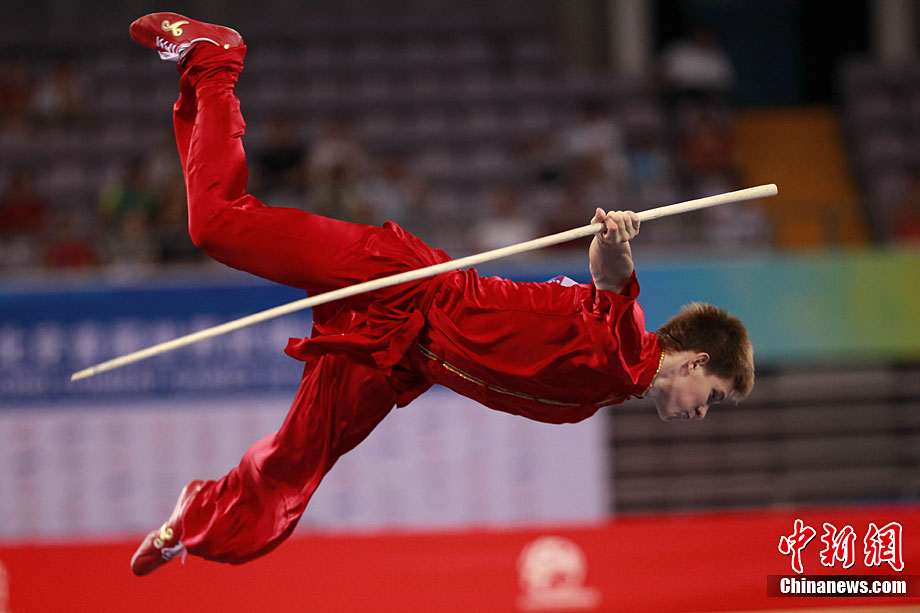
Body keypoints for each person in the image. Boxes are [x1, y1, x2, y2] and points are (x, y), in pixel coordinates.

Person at [126, 13, 754, 576]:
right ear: (695, 362)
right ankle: (216, 61)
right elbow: (611, 281)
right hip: (404, 283)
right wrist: (615, 236)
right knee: (217, 225)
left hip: (402, 355)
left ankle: (190, 519)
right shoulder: (625, 348)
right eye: (714, 396)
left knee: (295, 462)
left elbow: (601, 300)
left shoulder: (615, 384)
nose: (703, 412)